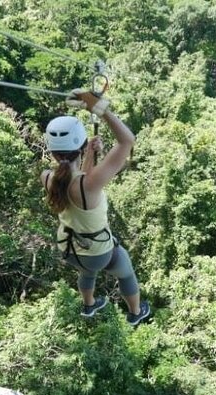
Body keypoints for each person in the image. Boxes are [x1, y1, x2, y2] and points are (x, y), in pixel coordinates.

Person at [40, 89, 151, 326]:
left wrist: (89, 153)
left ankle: (88, 305)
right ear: (79, 145)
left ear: (52, 150)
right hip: (97, 253)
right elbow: (127, 141)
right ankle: (135, 312)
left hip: (69, 250)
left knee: (87, 270)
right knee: (126, 271)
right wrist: (101, 110)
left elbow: (78, 179)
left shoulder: (47, 177)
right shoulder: (88, 185)